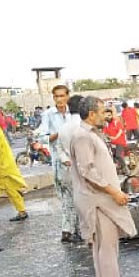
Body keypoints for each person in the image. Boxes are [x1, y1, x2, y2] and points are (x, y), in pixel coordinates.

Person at [70, 96, 136, 277]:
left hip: (100, 197)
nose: (106, 115)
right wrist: (113, 192)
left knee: (102, 243)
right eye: (102, 111)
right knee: (107, 243)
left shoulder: (92, 134)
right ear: (91, 114)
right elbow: (87, 171)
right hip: (97, 199)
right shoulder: (83, 136)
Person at [35, 84, 78, 242]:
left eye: (62, 96)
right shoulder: (49, 115)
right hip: (60, 160)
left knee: (78, 194)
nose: (59, 99)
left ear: (67, 96)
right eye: (56, 96)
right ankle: (67, 230)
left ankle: (76, 228)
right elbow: (42, 138)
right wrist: (60, 134)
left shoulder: (73, 112)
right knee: (66, 195)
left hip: (76, 158)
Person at [57, 94, 84, 243]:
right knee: (82, 201)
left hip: (67, 170)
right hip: (81, 171)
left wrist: (66, 160)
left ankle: (66, 231)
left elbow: (59, 149)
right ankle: (81, 231)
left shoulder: (63, 128)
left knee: (67, 200)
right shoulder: (84, 127)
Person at [103, 105, 128, 173]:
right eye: (106, 116)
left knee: (118, 155)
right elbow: (104, 133)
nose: (108, 117)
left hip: (120, 142)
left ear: (112, 115)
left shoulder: (116, 122)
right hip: (112, 143)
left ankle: (125, 167)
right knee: (111, 156)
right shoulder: (106, 124)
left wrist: (115, 137)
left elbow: (120, 131)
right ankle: (118, 167)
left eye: (109, 115)